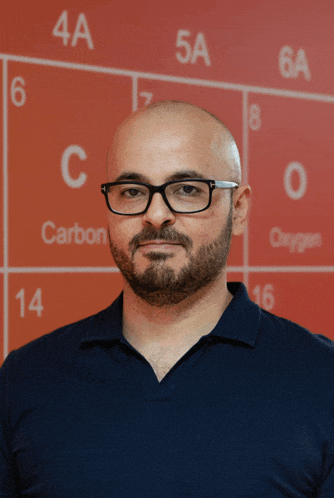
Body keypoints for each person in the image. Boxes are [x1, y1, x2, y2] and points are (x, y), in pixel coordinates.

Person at [1, 100, 334, 497]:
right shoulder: (26, 377)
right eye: (132, 191)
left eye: (188, 190)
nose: (156, 214)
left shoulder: (322, 378)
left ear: (239, 209)